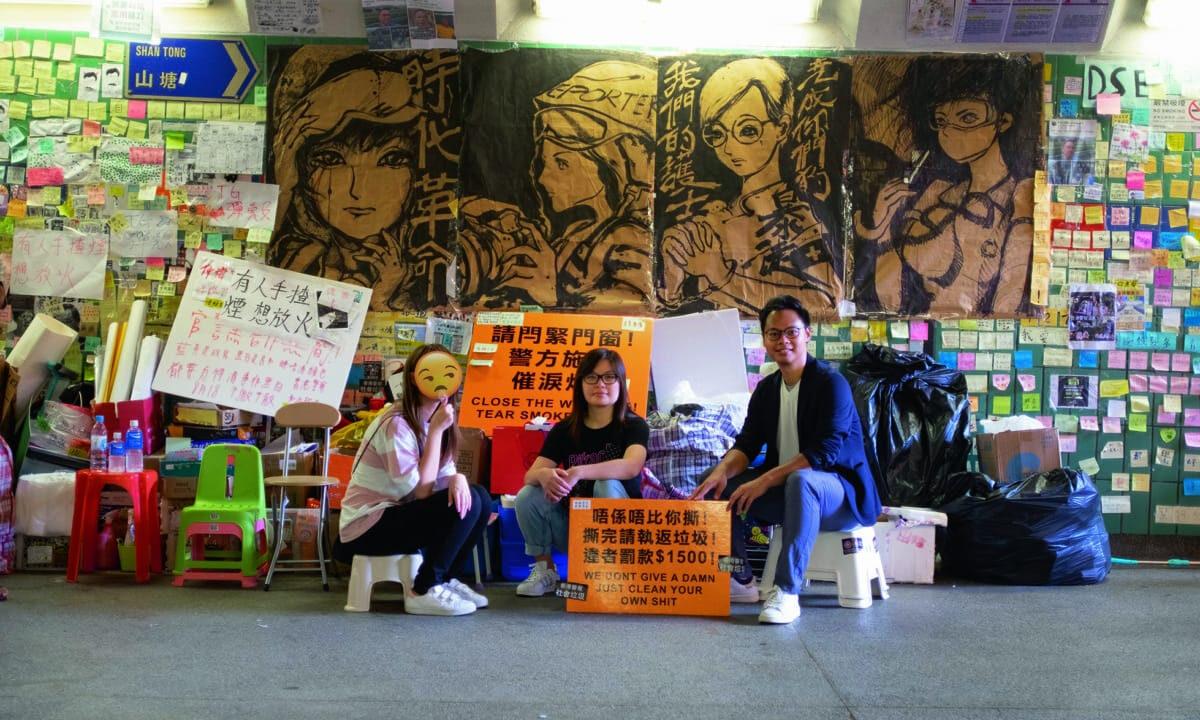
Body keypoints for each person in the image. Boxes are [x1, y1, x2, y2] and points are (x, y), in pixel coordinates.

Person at [690, 295, 881, 624]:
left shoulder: (831, 384)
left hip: (840, 496)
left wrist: (763, 480)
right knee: (714, 482)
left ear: (807, 334)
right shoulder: (766, 390)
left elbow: (824, 454)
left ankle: (787, 591)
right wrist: (722, 470)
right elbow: (746, 445)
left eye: (791, 332)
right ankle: (742, 579)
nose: (783, 341)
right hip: (789, 493)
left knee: (802, 480)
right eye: (774, 334)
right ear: (764, 339)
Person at [458, 60, 656, 310]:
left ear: (619, 165)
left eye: (562, 164)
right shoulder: (570, 237)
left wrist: (551, 296)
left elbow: (631, 314)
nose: (542, 178)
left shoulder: (629, 250)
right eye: (542, 164)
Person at [270, 49, 453, 310]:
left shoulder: (431, 267)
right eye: (331, 160)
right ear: (298, 169)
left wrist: (382, 297)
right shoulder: (299, 259)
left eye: (391, 160)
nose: (359, 192)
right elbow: (321, 336)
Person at [659, 58, 841, 315]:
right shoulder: (712, 220)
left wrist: (718, 273)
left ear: (782, 127)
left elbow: (825, 300)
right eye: (717, 134)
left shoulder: (797, 214)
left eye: (747, 130)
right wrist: (674, 274)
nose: (730, 147)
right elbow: (675, 304)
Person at [855, 57, 1035, 316]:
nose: (950, 131)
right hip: (921, 332)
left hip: (981, 337)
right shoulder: (937, 192)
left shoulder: (1017, 196)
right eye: (941, 120)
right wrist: (883, 230)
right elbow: (891, 302)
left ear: (1003, 121)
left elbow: (1009, 301)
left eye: (968, 116)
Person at [334, 344, 491, 616]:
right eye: (429, 374)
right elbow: (420, 492)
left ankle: (446, 579)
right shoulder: (396, 423)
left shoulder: (435, 421)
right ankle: (423, 590)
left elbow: (444, 477)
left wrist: (458, 478)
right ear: (413, 379)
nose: (439, 382)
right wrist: (436, 435)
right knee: (461, 504)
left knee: (480, 498)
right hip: (365, 528)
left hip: (397, 517)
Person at [514, 348, 649, 596]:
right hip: (575, 527)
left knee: (605, 485)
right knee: (528, 495)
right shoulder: (565, 429)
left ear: (621, 383)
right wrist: (543, 475)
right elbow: (530, 475)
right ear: (580, 384)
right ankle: (546, 570)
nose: (600, 384)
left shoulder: (634, 425)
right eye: (591, 377)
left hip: (622, 531)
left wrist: (579, 472)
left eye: (609, 377)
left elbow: (632, 466)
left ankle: (611, 570)